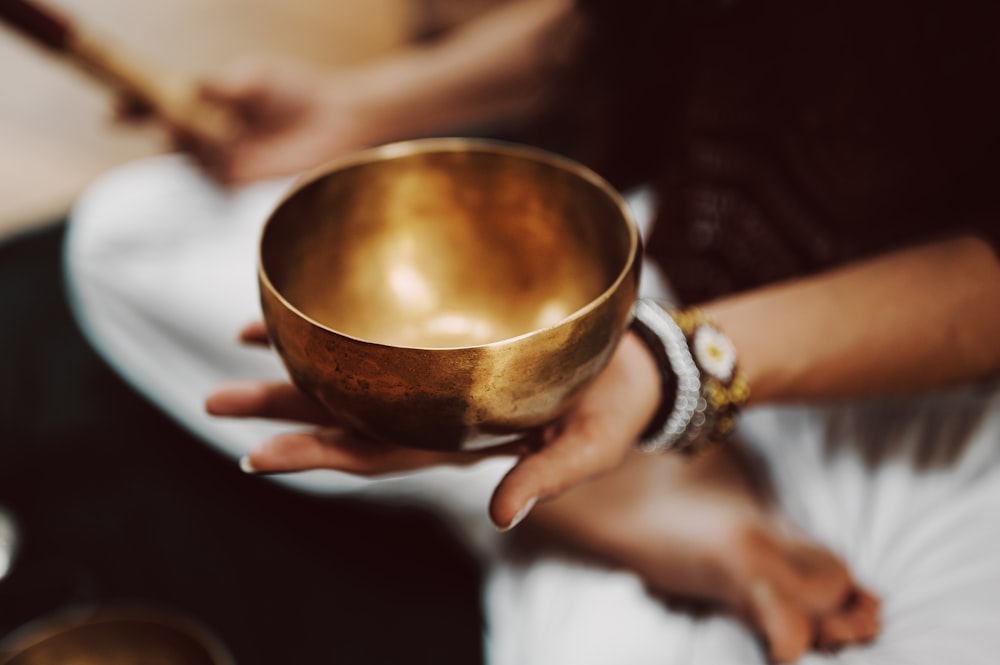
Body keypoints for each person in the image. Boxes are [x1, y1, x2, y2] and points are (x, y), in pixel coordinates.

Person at [66, 0, 1000, 662]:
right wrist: (366, 106)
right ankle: (606, 494)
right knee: (133, 233)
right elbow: (632, 21)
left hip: (906, 392)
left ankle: (557, 483)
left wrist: (668, 367)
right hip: (638, 291)